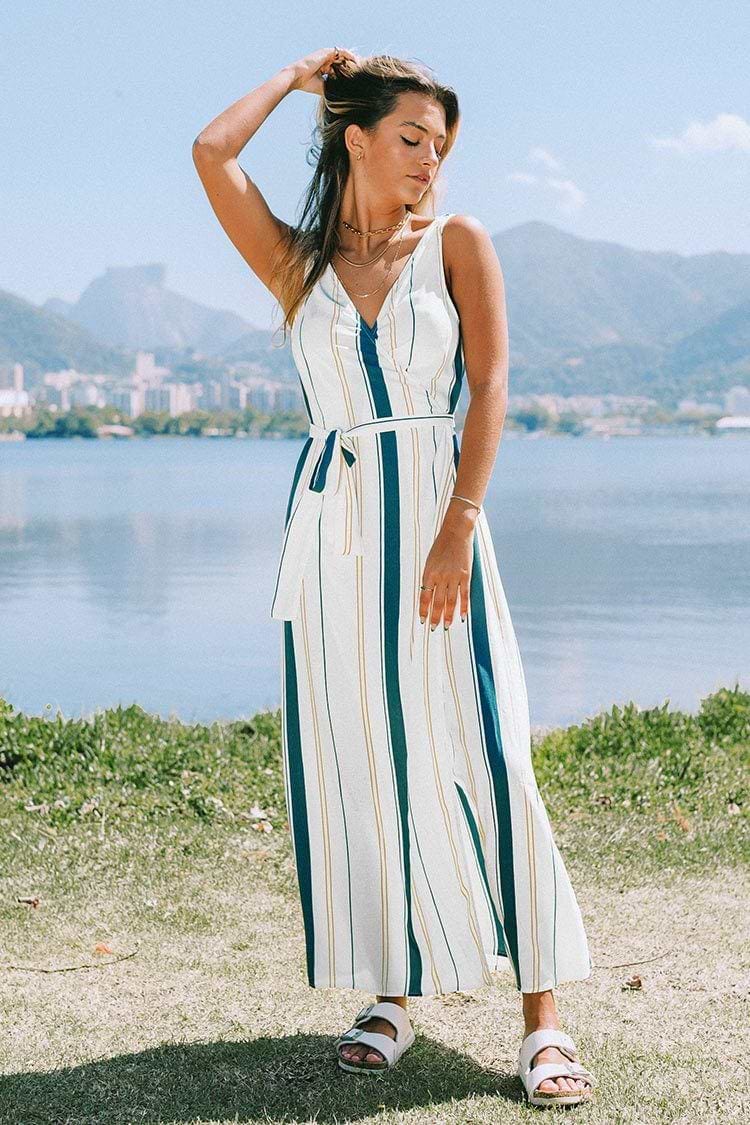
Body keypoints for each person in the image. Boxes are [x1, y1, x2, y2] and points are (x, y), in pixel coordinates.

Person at [192, 48, 595, 1108]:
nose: (429, 160)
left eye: (441, 145)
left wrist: (461, 521)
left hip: (437, 522)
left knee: (489, 747)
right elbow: (211, 152)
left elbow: (491, 383)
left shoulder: (456, 242)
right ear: (356, 138)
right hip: (332, 536)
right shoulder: (299, 264)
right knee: (360, 762)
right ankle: (390, 993)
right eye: (411, 138)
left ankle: (543, 1022)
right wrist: (293, 79)